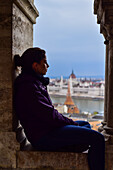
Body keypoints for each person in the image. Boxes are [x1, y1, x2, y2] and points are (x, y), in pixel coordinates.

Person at [14, 47, 105, 170]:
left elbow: (48, 115)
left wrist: (72, 125)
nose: (48, 65)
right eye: (45, 62)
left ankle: (72, 144)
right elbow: (50, 115)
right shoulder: (29, 87)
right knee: (97, 138)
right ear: (35, 66)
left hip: (45, 129)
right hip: (43, 136)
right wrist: (71, 123)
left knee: (85, 124)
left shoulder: (34, 82)